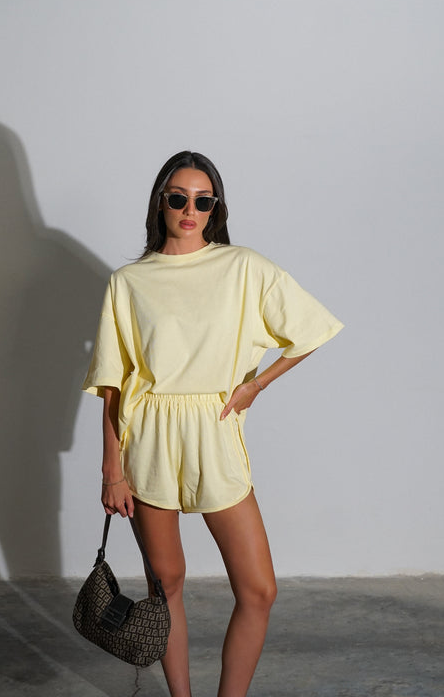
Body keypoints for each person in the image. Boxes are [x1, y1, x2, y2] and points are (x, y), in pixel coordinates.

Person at [82, 151, 343, 697]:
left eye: (203, 201)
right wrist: (112, 470)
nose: (190, 210)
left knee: (258, 589)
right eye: (178, 198)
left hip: (214, 430)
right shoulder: (129, 281)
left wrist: (256, 385)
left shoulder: (242, 267)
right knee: (166, 585)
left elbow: (310, 329)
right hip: (148, 437)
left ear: (216, 208)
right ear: (160, 203)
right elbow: (113, 382)